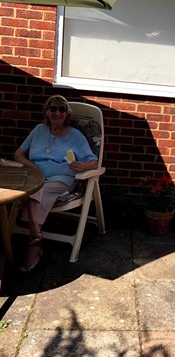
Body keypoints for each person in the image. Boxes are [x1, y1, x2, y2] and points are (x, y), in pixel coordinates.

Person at [14, 95, 98, 272]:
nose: (57, 112)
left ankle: (33, 245)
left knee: (32, 193)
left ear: (67, 114)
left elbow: (94, 162)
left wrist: (82, 165)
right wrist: (33, 167)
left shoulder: (76, 136)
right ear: (46, 111)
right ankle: (36, 239)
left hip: (61, 179)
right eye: (53, 108)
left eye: (62, 109)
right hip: (36, 178)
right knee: (35, 189)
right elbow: (19, 154)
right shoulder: (38, 130)